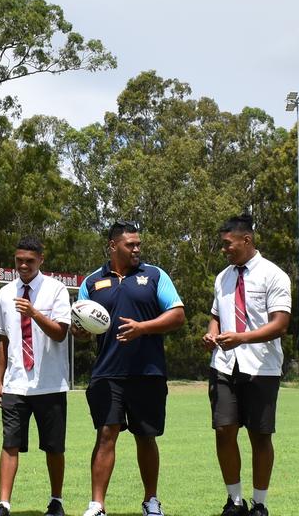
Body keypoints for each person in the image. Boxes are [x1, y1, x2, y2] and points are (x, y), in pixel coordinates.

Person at [71, 221, 186, 516]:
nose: (136, 249)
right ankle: (97, 504)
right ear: (113, 246)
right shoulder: (92, 282)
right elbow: (79, 323)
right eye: (130, 244)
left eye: (138, 244)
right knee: (106, 433)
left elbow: (177, 315)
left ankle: (151, 501)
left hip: (148, 372)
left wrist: (143, 328)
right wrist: (80, 332)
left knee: (145, 436)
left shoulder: (155, 275)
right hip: (107, 373)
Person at [201, 214, 292, 516]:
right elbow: (216, 314)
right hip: (224, 365)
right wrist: (212, 333)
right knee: (224, 430)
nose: (224, 249)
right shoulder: (223, 277)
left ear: (247, 240)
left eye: (228, 244)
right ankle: (234, 500)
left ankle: (260, 504)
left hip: (261, 368)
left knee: (260, 436)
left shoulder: (274, 275)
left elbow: (280, 325)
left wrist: (242, 338)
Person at [0, 236, 73, 516]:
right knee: (9, 444)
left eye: (29, 261)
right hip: (15, 384)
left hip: (49, 383)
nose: (23, 266)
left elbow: (60, 333)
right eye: (19, 260)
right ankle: (4, 504)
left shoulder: (56, 290)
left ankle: (56, 501)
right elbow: (2, 340)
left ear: (41, 260)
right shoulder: (4, 293)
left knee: (53, 447)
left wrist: (34, 312)